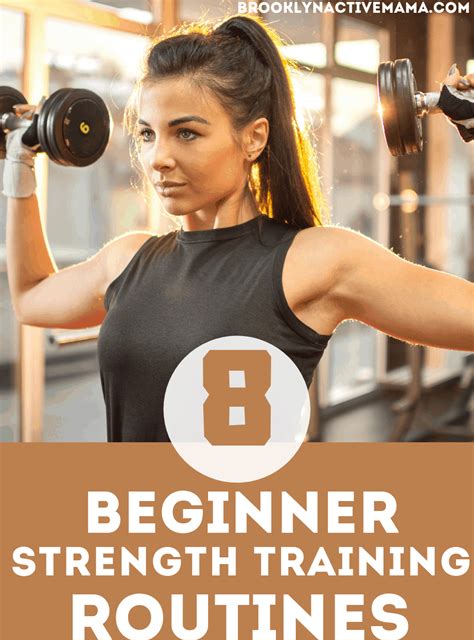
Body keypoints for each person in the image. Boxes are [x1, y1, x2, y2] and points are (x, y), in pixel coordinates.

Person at [3, 14, 474, 442]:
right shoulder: (128, 259)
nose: (157, 158)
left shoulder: (314, 260)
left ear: (254, 138)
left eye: (186, 132)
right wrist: (18, 160)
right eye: (148, 133)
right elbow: (30, 298)